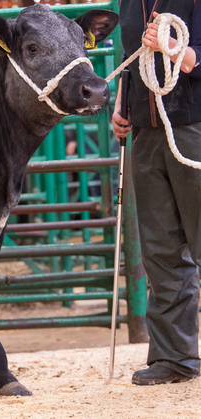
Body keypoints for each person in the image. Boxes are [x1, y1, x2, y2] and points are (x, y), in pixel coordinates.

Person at [113, 1, 201, 385]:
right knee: (160, 248)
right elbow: (131, 63)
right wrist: (122, 107)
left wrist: (176, 51)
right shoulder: (129, 3)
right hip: (147, 133)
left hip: (194, 126)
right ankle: (175, 356)